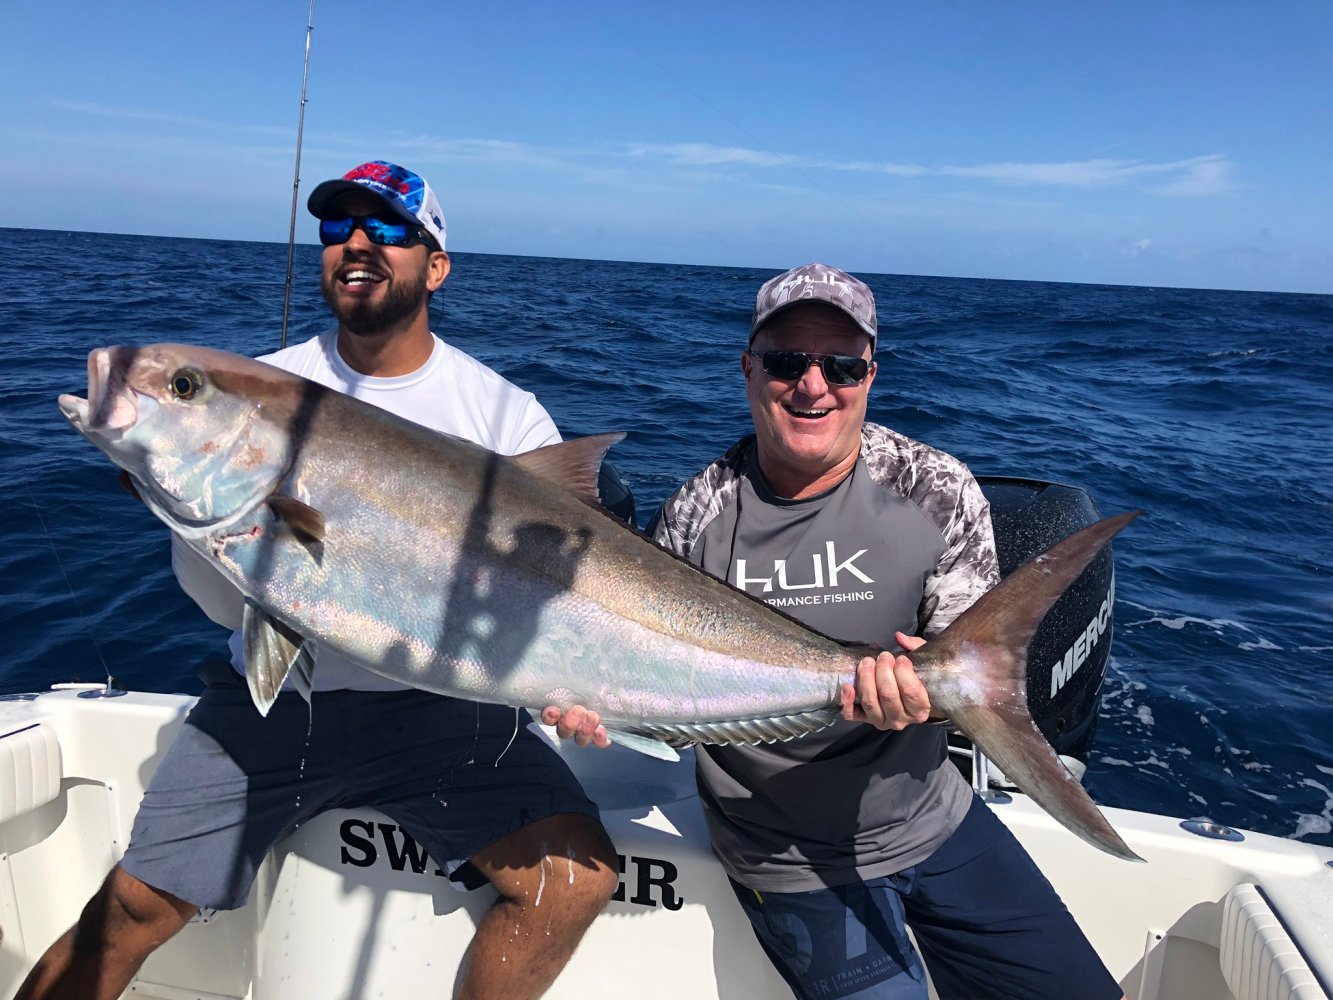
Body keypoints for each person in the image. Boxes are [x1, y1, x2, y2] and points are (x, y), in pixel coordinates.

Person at [18, 161, 618, 1000]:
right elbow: (224, 602)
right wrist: (186, 509)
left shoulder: (504, 417)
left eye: (388, 230)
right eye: (339, 229)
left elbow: (562, 610)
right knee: (128, 911)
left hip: (448, 708)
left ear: (435, 265)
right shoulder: (270, 380)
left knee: (575, 878)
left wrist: (580, 682)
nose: (358, 245)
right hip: (276, 704)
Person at [545, 263, 1122, 999]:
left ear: (870, 375)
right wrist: (603, 703)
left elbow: (960, 659)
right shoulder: (697, 513)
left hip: (933, 817)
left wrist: (929, 691)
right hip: (784, 854)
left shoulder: (932, 484)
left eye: (840, 365)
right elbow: (658, 676)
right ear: (748, 369)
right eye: (787, 361)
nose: (813, 385)